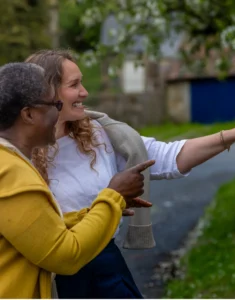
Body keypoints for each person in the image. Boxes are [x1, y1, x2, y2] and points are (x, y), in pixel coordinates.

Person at [26, 49, 235, 299]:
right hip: (49, 279)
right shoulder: (17, 154)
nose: (85, 92)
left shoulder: (100, 135)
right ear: (48, 92)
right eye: (74, 85)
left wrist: (234, 134)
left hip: (107, 268)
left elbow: (167, 157)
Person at [0, 62, 154, 299]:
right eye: (55, 104)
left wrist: (93, 213)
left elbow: (35, 229)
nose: (58, 113)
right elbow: (65, 256)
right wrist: (112, 197)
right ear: (28, 114)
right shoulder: (11, 173)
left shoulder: (8, 162)